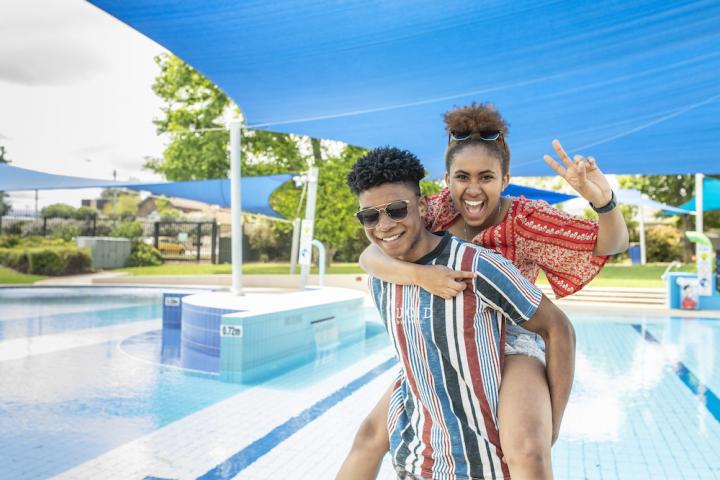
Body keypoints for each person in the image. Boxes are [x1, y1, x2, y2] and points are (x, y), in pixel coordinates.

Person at [337, 104, 629, 479]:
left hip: (511, 340)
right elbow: (371, 253)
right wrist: (420, 277)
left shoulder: (526, 219)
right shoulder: (434, 210)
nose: (472, 190)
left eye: (486, 177)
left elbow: (611, 244)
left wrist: (603, 201)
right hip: (450, 341)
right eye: (462, 177)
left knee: (526, 448)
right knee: (371, 435)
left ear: (504, 179)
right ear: (447, 180)